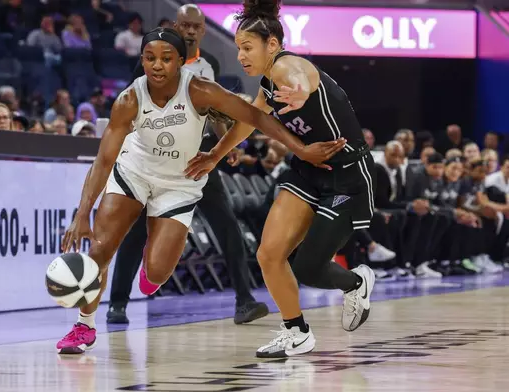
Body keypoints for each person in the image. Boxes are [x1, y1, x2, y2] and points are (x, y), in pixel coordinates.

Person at [57, 27, 346, 354]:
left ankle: (154, 266)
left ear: (181, 61)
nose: (157, 65)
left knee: (156, 271)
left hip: (179, 182)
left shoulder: (199, 89)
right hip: (133, 173)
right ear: (141, 60)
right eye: (150, 58)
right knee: (99, 251)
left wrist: (301, 149)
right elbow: (104, 158)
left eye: (166, 58)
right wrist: (82, 213)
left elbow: (255, 116)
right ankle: (84, 325)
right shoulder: (130, 99)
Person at [185, 0, 376, 358]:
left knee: (308, 267)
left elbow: (301, 80)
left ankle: (356, 281)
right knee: (269, 254)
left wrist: (301, 92)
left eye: (247, 48)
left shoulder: (290, 67)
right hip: (307, 172)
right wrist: (214, 155)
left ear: (272, 45)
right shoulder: (268, 83)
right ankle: (297, 332)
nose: (241, 55)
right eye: (239, 48)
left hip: (348, 177)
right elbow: (249, 122)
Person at [107, 3, 268, 326]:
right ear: (176, 27)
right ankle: (118, 303)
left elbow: (214, 110)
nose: (191, 31)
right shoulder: (152, 64)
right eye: (185, 26)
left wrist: (225, 145)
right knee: (137, 230)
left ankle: (244, 300)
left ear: (203, 30)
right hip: (154, 156)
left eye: (196, 26)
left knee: (227, 225)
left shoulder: (210, 64)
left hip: (201, 154)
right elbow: (133, 106)